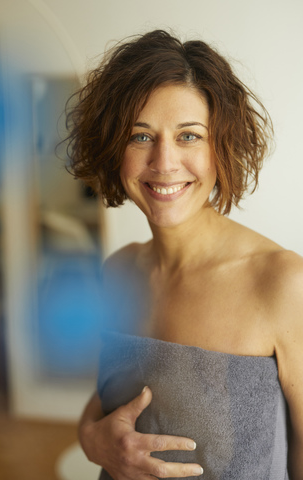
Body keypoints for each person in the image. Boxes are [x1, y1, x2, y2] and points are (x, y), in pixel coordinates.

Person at [65, 30, 303, 479]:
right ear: (114, 147)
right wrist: (91, 441)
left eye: (189, 136)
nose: (164, 161)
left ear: (223, 146)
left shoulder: (282, 283)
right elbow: (105, 404)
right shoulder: (117, 271)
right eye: (140, 136)